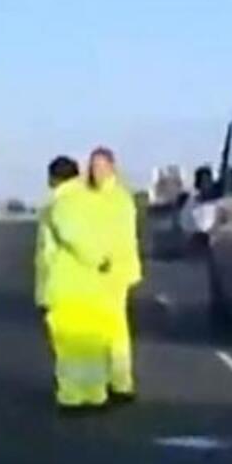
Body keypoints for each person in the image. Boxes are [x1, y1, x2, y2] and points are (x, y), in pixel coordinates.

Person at [37, 156, 113, 412]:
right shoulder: (96, 200)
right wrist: (104, 262)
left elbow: (70, 235)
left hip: (66, 283)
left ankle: (71, 396)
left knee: (69, 346)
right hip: (95, 285)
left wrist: (94, 258)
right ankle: (96, 394)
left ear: (54, 178)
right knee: (93, 342)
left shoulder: (59, 203)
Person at [87, 147, 142, 403]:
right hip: (99, 270)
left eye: (99, 166)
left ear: (111, 167)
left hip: (115, 270)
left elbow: (121, 236)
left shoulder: (118, 199)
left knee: (114, 329)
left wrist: (107, 259)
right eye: (92, 167)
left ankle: (120, 382)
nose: (95, 172)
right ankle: (106, 380)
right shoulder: (95, 197)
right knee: (101, 328)